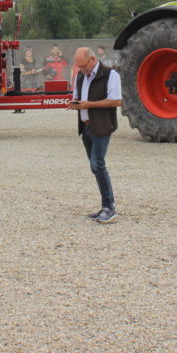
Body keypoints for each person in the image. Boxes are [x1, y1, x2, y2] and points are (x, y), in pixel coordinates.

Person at [68, 46, 122, 224]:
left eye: (83, 66)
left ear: (92, 59)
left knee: (97, 164)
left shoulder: (110, 75)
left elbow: (116, 101)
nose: (82, 70)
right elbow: (78, 98)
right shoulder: (81, 76)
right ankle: (105, 206)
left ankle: (109, 207)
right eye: (79, 67)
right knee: (95, 166)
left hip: (102, 126)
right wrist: (74, 104)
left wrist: (88, 105)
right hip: (86, 128)